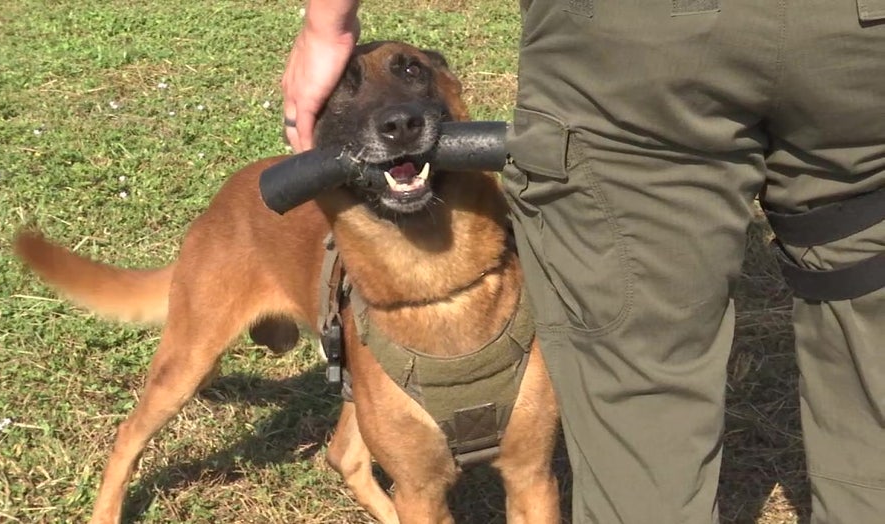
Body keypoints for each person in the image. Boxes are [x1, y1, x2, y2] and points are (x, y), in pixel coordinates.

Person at [281, 0, 885, 522]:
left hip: (638, 41)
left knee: (641, 369)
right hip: (856, 32)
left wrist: (327, 24)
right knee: (868, 317)